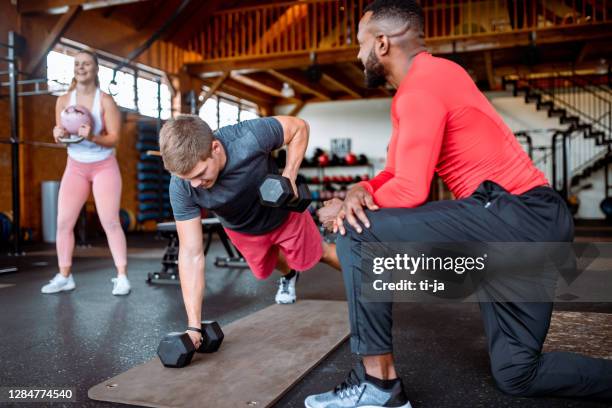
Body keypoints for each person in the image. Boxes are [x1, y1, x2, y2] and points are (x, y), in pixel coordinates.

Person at [306, 1, 612, 407]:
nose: (356, 54)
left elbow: (411, 190)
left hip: (515, 215)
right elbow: (394, 174)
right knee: (517, 373)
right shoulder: (426, 82)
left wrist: (344, 210)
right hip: (530, 227)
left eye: (360, 45)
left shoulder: (423, 85)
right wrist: (359, 188)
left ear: (381, 43)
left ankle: (378, 386)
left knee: (358, 231)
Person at [159, 114, 340, 349]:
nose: (194, 184)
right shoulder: (182, 187)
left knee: (322, 254)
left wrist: (289, 175)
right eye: (187, 178)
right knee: (272, 261)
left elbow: (299, 127)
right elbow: (191, 254)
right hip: (243, 230)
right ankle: (289, 275)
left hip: (284, 215)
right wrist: (194, 326)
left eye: (200, 174)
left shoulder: (248, 137)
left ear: (215, 148)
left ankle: (377, 284)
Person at [41, 50, 130, 296]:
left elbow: (114, 139)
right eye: (78, 64)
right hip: (76, 165)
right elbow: (61, 133)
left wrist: (90, 135)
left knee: (110, 222)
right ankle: (64, 275)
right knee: (63, 223)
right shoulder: (63, 100)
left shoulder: (105, 101)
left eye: (86, 64)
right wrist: (57, 135)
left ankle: (122, 276)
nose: (81, 68)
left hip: (103, 165)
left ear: (96, 69)